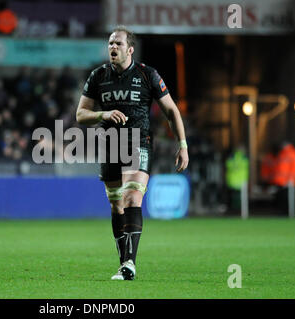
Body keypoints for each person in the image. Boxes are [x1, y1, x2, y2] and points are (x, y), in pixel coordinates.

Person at [76, 26, 189, 280]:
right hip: (110, 143)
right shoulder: (98, 76)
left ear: (130, 49)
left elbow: (172, 111)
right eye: (110, 44)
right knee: (117, 205)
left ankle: (129, 264)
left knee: (132, 198)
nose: (112, 48)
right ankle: (124, 262)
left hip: (138, 140)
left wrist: (182, 144)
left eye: (117, 44)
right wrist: (102, 114)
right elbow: (80, 115)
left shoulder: (147, 75)